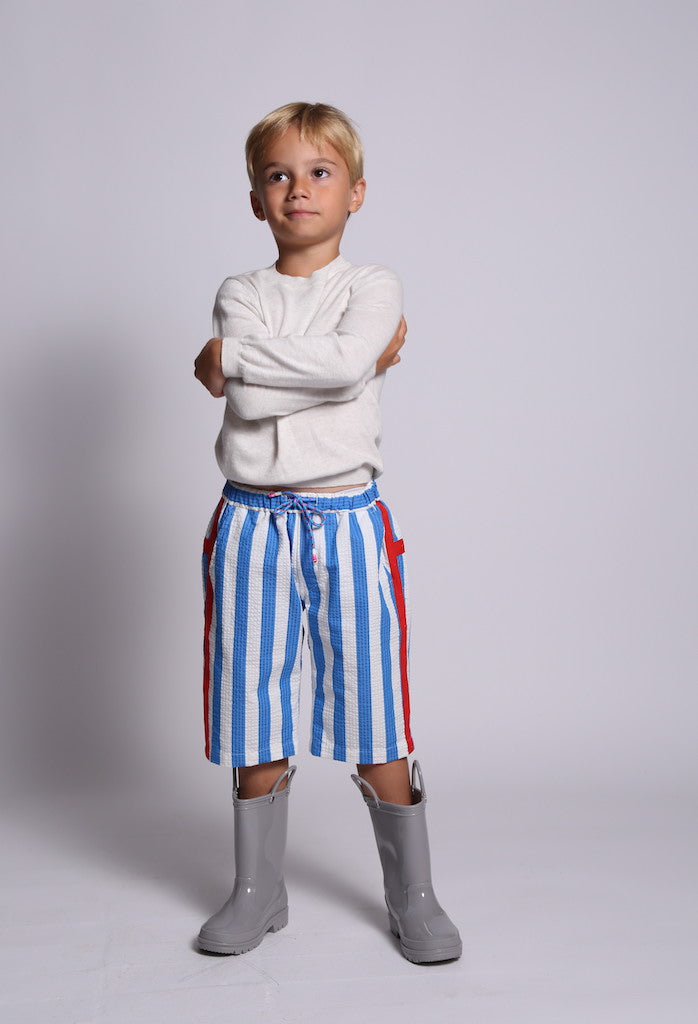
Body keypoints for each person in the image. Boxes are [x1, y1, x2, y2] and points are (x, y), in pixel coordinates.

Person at [193, 102, 461, 964]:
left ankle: (414, 894)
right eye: (278, 175)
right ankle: (257, 890)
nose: (298, 189)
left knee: (374, 706)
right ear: (256, 198)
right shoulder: (241, 293)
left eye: (319, 173)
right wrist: (320, 368)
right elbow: (268, 396)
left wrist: (234, 360)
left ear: (355, 193)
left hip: (346, 519)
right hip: (252, 521)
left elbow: (342, 365)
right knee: (254, 707)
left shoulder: (372, 286)